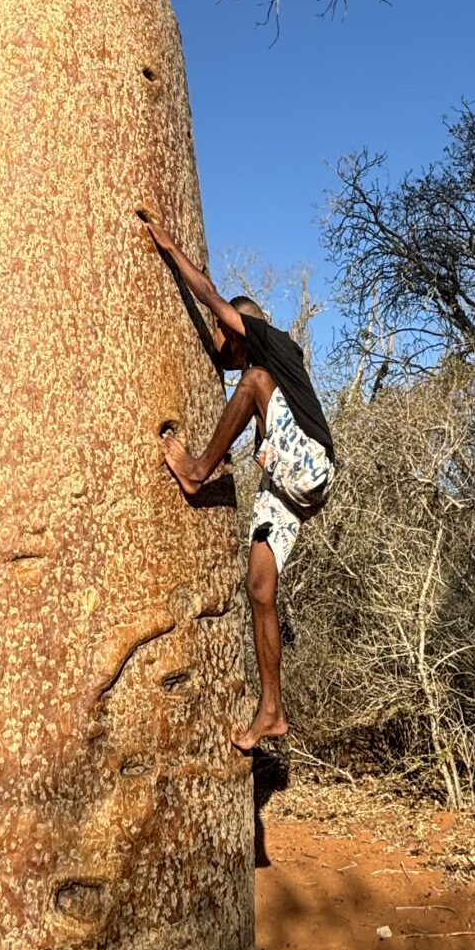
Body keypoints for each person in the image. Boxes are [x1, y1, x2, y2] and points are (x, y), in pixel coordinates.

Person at [143, 217, 336, 752]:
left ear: (239, 329)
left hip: (310, 464)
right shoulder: (268, 393)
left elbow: (209, 293)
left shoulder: (266, 348)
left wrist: (170, 249)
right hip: (289, 487)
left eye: (222, 335)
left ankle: (197, 470)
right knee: (259, 589)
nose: (217, 347)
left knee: (251, 382)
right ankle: (271, 711)